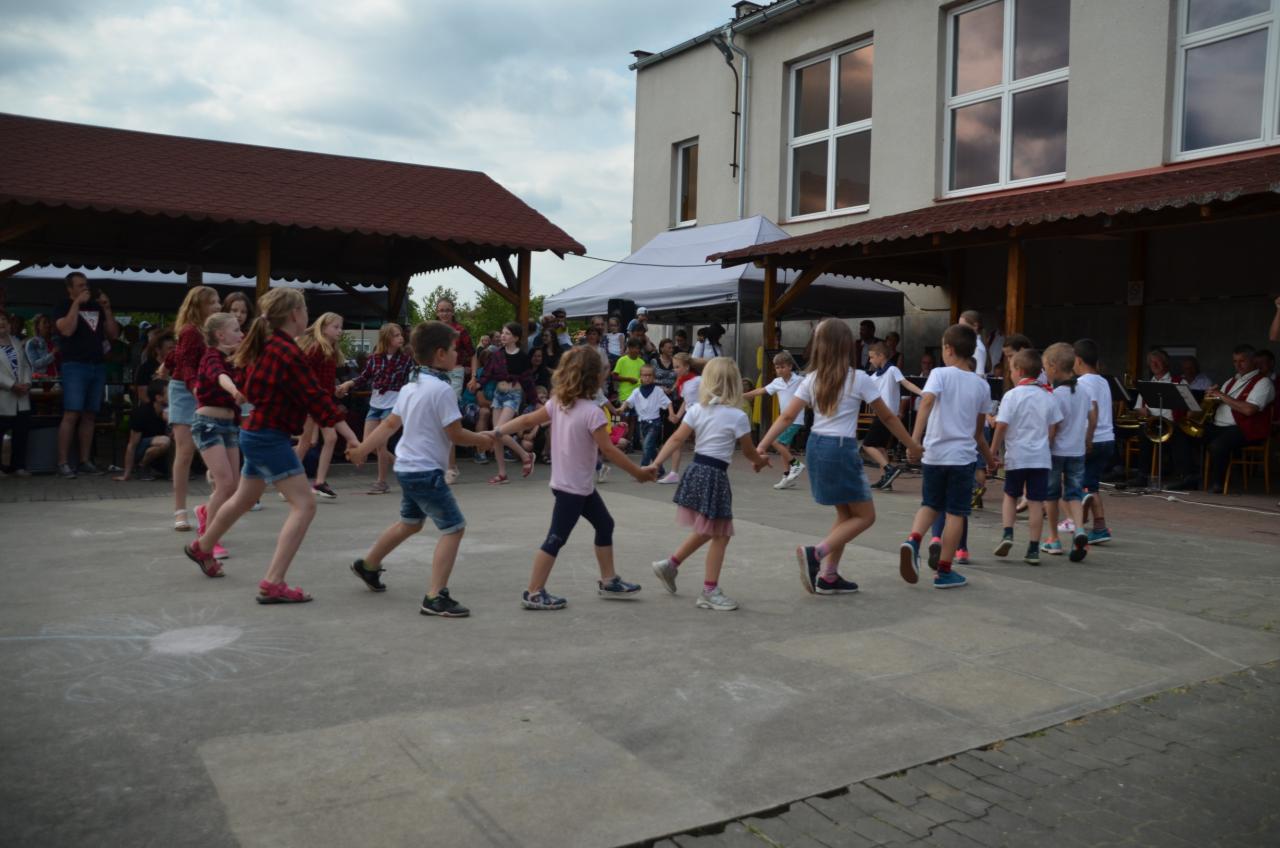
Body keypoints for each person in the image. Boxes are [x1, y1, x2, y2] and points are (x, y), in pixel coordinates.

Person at [184, 288, 360, 597]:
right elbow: (316, 398)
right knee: (305, 505)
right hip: (268, 437)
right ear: (295, 315)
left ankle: (203, 546)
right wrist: (352, 437)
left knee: (243, 499)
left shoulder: (269, 346)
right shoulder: (286, 352)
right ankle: (274, 582)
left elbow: (287, 393)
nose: (307, 316)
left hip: (256, 433)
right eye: (305, 310)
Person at [759, 321, 922, 595]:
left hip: (816, 445)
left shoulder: (811, 378)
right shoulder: (859, 378)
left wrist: (761, 446)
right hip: (841, 448)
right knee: (866, 516)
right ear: (847, 346)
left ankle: (829, 576)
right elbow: (888, 416)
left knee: (846, 514)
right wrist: (912, 445)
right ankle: (816, 553)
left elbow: (786, 416)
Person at [345, 321, 496, 615]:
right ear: (440, 354)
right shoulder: (442, 390)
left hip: (406, 468)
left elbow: (389, 425)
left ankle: (368, 565)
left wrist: (363, 449)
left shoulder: (410, 386)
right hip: (426, 472)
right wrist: (482, 440)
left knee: (411, 523)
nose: (457, 355)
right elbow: (455, 434)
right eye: (454, 349)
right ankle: (435, 596)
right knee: (454, 528)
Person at [490, 345, 653, 610]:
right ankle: (533, 592)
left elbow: (527, 420)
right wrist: (639, 473)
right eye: (604, 371)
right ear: (595, 377)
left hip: (577, 486)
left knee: (605, 524)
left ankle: (608, 580)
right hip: (572, 490)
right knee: (556, 538)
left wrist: (497, 431)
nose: (606, 375)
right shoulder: (593, 412)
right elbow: (609, 450)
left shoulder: (558, 404)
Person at [647, 357, 770, 611]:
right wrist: (761, 461)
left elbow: (676, 439)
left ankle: (670, 565)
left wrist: (655, 464)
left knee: (710, 529)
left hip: (696, 471)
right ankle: (709, 591)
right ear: (735, 385)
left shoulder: (696, 410)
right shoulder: (738, 416)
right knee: (721, 534)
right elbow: (749, 452)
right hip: (714, 476)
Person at [898, 324, 995, 589]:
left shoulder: (939, 374)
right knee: (955, 514)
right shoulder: (982, 385)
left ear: (948, 349)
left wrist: (914, 441)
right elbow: (978, 433)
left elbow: (927, 402)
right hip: (962, 459)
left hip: (934, 455)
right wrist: (990, 459)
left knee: (930, 504)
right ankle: (944, 571)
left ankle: (913, 541)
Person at [990, 349, 1060, 565]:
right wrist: (1046, 445)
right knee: (1036, 502)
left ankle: (1008, 533)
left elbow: (1001, 426)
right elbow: (1054, 426)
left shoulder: (1012, 396)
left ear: (1019, 371)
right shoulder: (1048, 396)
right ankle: (1033, 548)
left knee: (1011, 495)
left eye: (1011, 369)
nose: (1010, 374)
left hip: (1017, 456)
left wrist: (993, 451)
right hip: (1040, 458)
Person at [191, 313, 247, 561]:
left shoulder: (236, 361)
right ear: (220, 335)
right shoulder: (211, 357)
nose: (241, 334)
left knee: (233, 487)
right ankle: (208, 539)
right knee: (225, 484)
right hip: (208, 425)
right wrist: (234, 390)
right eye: (236, 330)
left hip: (229, 426)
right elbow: (219, 376)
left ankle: (205, 512)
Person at [53, 272, 119, 477]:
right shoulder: (63, 306)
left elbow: (113, 334)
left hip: (97, 365)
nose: (85, 288)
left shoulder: (96, 307)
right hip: (74, 365)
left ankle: (84, 461)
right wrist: (76, 304)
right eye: (80, 285)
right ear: (70, 289)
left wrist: (107, 308)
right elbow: (67, 330)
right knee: (71, 413)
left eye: (86, 284)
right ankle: (63, 463)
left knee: (90, 415)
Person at [338, 323, 415, 494]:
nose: (401, 338)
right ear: (386, 338)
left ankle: (381, 482)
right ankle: (404, 467)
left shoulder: (406, 359)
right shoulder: (374, 358)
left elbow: (413, 380)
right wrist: (348, 383)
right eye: (396, 335)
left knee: (380, 444)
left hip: (393, 403)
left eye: (401, 334)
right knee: (368, 444)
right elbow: (364, 377)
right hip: (376, 403)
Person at [168, 285, 221, 530]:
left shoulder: (214, 330)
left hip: (206, 389)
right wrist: (195, 389)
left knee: (213, 450)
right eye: (212, 302)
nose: (218, 306)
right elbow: (186, 364)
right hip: (185, 390)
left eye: (218, 301)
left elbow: (176, 355)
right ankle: (180, 511)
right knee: (185, 451)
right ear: (198, 306)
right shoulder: (190, 330)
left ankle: (213, 508)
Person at [1196, 344, 1275, 494]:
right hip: (1219, 427)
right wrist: (1210, 398)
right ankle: (1188, 476)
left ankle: (1218, 483)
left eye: (1242, 361)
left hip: (1244, 429)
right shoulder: (1231, 381)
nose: (1238, 365)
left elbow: (1249, 410)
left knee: (1218, 445)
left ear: (1253, 361)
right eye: (1235, 361)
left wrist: (1221, 395)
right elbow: (1219, 400)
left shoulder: (1264, 382)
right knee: (1184, 433)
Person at [1041, 342, 1091, 562]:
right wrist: (1088, 440)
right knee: (1074, 493)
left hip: (1056, 451)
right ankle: (1079, 528)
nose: (1044, 371)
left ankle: (1053, 538)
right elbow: (1092, 416)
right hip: (1077, 450)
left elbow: (1053, 427)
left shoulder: (1055, 395)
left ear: (1053, 366)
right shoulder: (1084, 392)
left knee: (1051, 494)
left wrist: (1046, 446)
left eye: (1045, 366)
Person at [294, 313, 345, 499]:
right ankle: (291, 479)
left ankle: (318, 482)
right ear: (323, 328)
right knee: (307, 442)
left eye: (340, 327)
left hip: (322, 402)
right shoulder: (316, 348)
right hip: (313, 403)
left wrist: (334, 390)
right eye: (335, 327)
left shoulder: (330, 350)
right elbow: (305, 374)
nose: (340, 331)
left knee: (322, 439)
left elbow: (324, 379)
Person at [863, 342, 924, 490]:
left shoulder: (892, 369)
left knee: (867, 445)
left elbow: (906, 383)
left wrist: (922, 393)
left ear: (881, 356)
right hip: (884, 416)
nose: (870, 360)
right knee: (881, 447)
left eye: (872, 357)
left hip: (885, 415)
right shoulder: (874, 376)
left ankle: (889, 469)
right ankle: (886, 479)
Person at [483, 321, 537, 484]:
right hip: (498, 395)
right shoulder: (497, 355)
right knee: (497, 435)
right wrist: (477, 383)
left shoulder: (523, 357)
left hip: (513, 395)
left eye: (507, 333)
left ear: (516, 338)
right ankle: (502, 474)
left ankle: (525, 455)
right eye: (502, 333)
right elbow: (487, 374)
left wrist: (535, 400)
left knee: (499, 431)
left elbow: (528, 381)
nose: (503, 336)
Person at [744, 350, 807, 489]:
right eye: (777, 367)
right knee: (784, 446)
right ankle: (787, 476)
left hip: (795, 419)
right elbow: (760, 391)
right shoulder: (777, 382)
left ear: (790, 366)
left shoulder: (800, 380)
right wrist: (742, 396)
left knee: (775, 442)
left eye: (782, 367)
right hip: (783, 421)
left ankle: (796, 465)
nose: (779, 370)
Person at [1074, 338, 1116, 544]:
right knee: (1091, 484)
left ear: (1078, 360)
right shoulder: (1103, 381)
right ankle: (1099, 526)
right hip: (1107, 438)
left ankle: (1079, 522)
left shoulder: (1082, 383)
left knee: (1079, 484)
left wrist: (1087, 438)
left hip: (1092, 438)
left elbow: (1092, 410)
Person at [433, 298, 474, 485]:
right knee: (437, 421)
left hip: (455, 373)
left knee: (448, 419)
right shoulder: (433, 330)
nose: (444, 313)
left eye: (448, 310)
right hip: (435, 373)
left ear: (453, 311)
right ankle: (443, 465)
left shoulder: (459, 330)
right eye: (441, 310)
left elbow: (473, 354)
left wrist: (473, 377)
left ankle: (451, 467)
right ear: (437, 312)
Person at [113, 381, 171, 482]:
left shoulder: (169, 412)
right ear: (158, 397)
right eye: (169, 393)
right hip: (141, 449)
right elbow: (132, 445)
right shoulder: (141, 413)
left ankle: (171, 472)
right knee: (165, 441)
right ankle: (141, 466)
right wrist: (126, 475)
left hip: (159, 451)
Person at [621, 364, 672, 478]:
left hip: (655, 423)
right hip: (642, 423)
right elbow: (628, 401)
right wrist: (621, 408)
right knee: (651, 448)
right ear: (640, 376)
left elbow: (668, 402)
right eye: (644, 375)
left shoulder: (658, 391)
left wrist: (672, 414)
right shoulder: (636, 391)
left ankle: (642, 470)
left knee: (647, 446)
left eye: (650, 375)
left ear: (654, 377)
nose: (647, 378)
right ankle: (660, 469)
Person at [0, 312, 33, 476]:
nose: (1, 323)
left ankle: (18, 466)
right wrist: (12, 385)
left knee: (21, 433)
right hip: (3, 395)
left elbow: (26, 365)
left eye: (3, 319)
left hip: (21, 397)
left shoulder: (16, 342)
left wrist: (27, 383)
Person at [135, 330, 174, 404]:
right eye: (169, 348)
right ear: (158, 350)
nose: (174, 351)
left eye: (175, 348)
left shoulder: (178, 367)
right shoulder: (146, 368)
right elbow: (142, 395)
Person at [613, 336, 645, 408]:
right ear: (629, 348)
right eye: (633, 348)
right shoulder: (622, 360)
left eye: (638, 348)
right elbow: (614, 377)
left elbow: (643, 378)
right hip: (624, 396)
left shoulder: (642, 362)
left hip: (638, 396)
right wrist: (628, 379)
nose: (636, 350)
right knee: (625, 415)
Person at [24, 313, 57, 378]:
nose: (48, 325)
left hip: (60, 378)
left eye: (49, 322)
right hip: (42, 379)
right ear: (38, 326)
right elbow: (35, 364)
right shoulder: (32, 343)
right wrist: (52, 354)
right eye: (44, 322)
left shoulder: (56, 341)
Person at [959, 311, 987, 376]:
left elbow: (979, 375)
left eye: (963, 326)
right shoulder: (971, 344)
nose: (960, 329)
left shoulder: (977, 348)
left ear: (975, 326)